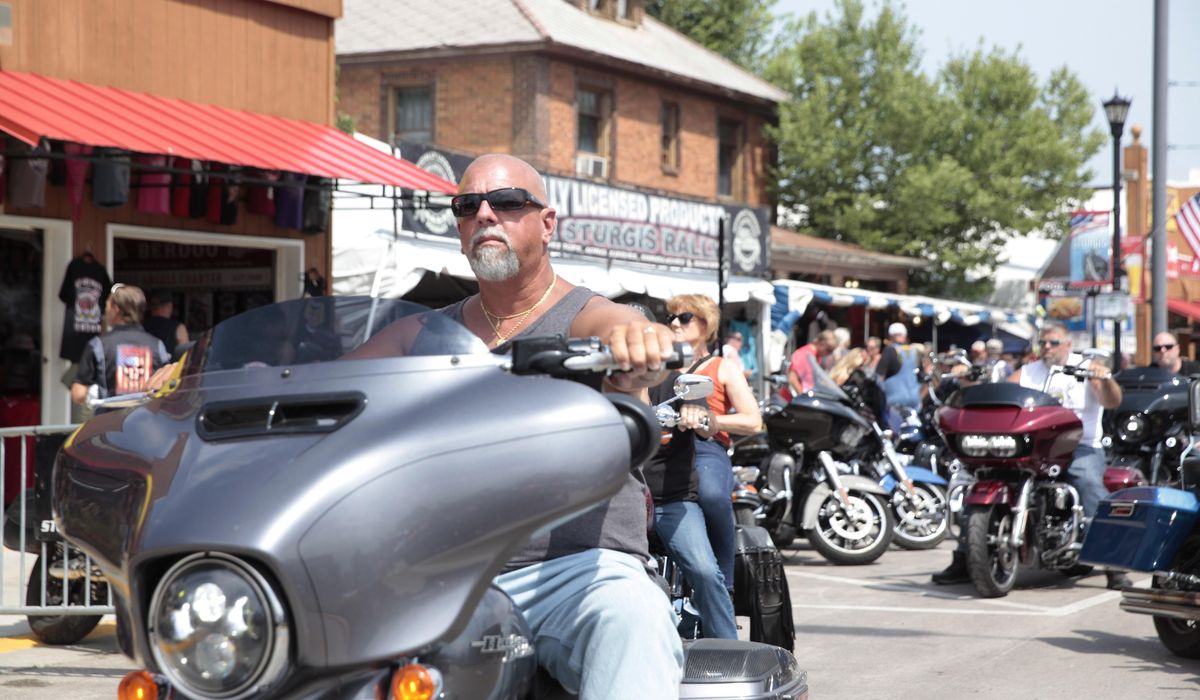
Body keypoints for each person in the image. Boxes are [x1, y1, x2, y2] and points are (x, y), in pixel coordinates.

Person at [372, 153, 683, 698]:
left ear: (546, 223)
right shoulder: (422, 333)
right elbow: (333, 379)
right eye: (469, 206)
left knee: (631, 618)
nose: (486, 214)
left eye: (508, 202)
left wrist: (638, 341)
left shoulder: (582, 315)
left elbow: (619, 327)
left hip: (574, 571)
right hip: (439, 579)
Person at [932, 321, 1128, 589]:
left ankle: (1114, 565)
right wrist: (969, 378)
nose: (1047, 347)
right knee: (979, 479)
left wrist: (1102, 377)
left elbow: (1112, 401)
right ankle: (965, 558)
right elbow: (1001, 392)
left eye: (1053, 342)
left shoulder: (1086, 367)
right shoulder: (1027, 372)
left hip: (1080, 445)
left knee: (1088, 482)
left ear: (1068, 345)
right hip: (1036, 447)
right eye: (1043, 343)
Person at [666, 293, 762, 602]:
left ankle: (725, 583)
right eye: (671, 317)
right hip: (661, 447)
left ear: (706, 325)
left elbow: (753, 421)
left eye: (684, 318)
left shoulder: (722, 366)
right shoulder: (659, 365)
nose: (674, 323)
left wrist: (712, 420)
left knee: (711, 495)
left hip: (705, 446)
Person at [645, 368, 738, 640]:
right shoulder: (605, 382)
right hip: (620, 500)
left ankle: (728, 651)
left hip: (671, 501)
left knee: (705, 571)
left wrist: (698, 417)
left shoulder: (675, 383)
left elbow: (708, 426)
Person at [70, 284, 170, 407]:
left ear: (116, 309)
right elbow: (169, 384)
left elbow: (78, 393)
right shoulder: (158, 346)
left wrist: (93, 393)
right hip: (148, 419)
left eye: (107, 306)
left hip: (109, 421)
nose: (105, 312)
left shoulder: (98, 345)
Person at [876, 322, 922, 410]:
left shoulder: (889, 350)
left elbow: (879, 378)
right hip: (915, 402)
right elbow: (922, 379)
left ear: (891, 336)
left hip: (894, 402)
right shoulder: (915, 352)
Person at [783, 329, 836, 400]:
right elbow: (792, 378)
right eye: (829, 350)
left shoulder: (816, 357)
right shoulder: (805, 354)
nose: (829, 353)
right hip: (791, 400)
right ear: (821, 343)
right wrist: (803, 397)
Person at [144, 289, 189, 357]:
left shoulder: (141, 327)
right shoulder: (178, 327)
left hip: (147, 365)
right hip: (171, 366)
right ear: (169, 306)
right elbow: (186, 354)